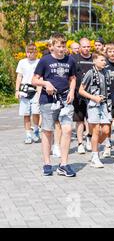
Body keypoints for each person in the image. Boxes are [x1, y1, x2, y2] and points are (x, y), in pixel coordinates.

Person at [32, 33, 77, 177]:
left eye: (63, 46)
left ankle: (63, 164)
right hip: (48, 100)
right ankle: (47, 163)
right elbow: (34, 80)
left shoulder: (70, 60)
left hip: (65, 100)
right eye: (58, 46)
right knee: (47, 131)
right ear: (52, 47)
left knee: (68, 130)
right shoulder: (45, 61)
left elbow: (72, 78)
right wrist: (46, 83)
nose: (61, 49)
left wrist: (72, 91)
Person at [79, 53, 112, 168]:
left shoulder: (106, 72)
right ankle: (95, 156)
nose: (105, 62)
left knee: (107, 131)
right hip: (93, 105)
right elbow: (81, 90)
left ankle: (94, 144)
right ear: (94, 61)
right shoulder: (90, 73)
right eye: (102, 60)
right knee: (96, 130)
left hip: (105, 105)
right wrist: (93, 98)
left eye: (105, 60)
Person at [15, 43, 41, 144]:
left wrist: (39, 92)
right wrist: (17, 90)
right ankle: (28, 135)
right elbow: (19, 77)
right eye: (28, 52)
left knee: (36, 112)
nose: (30, 54)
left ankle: (36, 131)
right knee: (26, 114)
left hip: (35, 90)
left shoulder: (39, 62)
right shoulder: (22, 62)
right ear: (26, 52)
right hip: (24, 90)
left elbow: (40, 77)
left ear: (36, 53)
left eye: (32, 52)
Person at [73, 38, 94, 153]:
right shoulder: (74, 59)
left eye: (88, 47)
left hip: (92, 95)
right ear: (80, 47)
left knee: (91, 119)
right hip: (78, 95)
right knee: (79, 120)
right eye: (84, 47)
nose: (86, 49)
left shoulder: (93, 58)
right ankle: (80, 143)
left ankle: (89, 139)